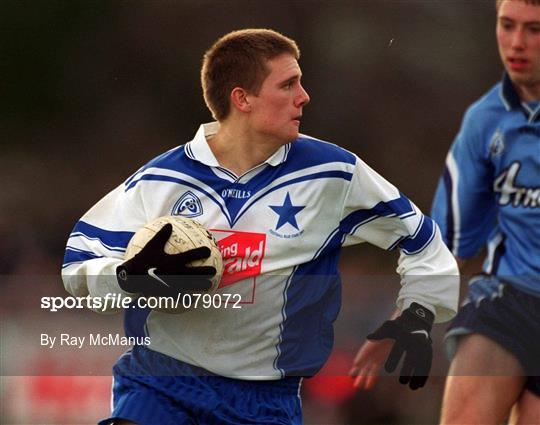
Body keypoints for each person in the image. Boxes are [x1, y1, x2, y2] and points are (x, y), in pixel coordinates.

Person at [62, 29, 459, 425]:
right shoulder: (159, 180)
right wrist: (129, 278)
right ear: (242, 98)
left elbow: (422, 240)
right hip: (162, 383)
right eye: (288, 85)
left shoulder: (333, 174)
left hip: (265, 402)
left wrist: (419, 313)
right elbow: (78, 265)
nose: (304, 97)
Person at [430, 1, 540, 423]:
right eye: (507, 25)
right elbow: (449, 243)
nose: (516, 43)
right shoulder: (484, 120)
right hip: (506, 300)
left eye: (533, 29)